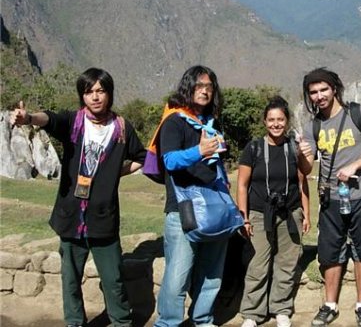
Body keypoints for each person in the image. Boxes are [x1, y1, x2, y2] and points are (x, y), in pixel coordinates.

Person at [10, 67, 146, 327]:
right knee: (71, 279)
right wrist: (28, 118)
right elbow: (48, 119)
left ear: (109, 94)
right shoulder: (73, 121)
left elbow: (142, 157)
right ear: (82, 96)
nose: (95, 97)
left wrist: (114, 173)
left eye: (100, 91)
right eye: (88, 92)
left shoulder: (121, 128)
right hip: (71, 216)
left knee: (113, 278)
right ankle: (75, 322)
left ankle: (121, 322)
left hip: (104, 218)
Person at [299, 67, 361, 327]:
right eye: (313, 92)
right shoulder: (312, 126)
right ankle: (330, 305)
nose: (319, 96)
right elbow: (305, 170)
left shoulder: (359, 114)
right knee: (330, 253)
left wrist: (355, 166)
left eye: (323, 89)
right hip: (330, 199)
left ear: (334, 88)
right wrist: (303, 155)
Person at [153, 65, 229, 327]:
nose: (205, 91)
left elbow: (219, 166)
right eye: (199, 86)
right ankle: (168, 323)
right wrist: (199, 150)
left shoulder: (212, 124)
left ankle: (204, 320)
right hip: (183, 208)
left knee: (212, 272)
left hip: (214, 207)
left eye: (209, 87)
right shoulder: (174, 121)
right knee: (177, 275)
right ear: (188, 87)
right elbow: (170, 160)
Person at [237, 96, 313, 327]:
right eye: (271, 120)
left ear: (287, 121)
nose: (276, 124)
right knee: (257, 263)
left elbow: (303, 180)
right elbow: (242, 184)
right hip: (260, 213)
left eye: (280, 119)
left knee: (287, 263)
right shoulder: (254, 148)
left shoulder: (293, 148)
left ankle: (281, 308)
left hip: (290, 213)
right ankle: (252, 313)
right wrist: (244, 217)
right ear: (264, 122)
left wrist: (307, 214)